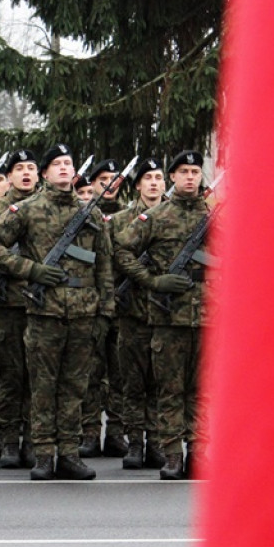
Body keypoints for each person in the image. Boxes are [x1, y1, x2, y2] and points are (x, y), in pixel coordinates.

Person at [0, 144, 113, 481]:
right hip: (44, 312)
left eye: (68, 163)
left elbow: (104, 264)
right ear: (44, 173)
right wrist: (30, 270)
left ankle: (69, 453)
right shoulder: (27, 209)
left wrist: (105, 311)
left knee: (75, 387)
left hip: (83, 312)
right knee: (43, 386)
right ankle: (43, 453)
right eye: (56, 164)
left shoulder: (91, 214)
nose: (63, 168)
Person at [114, 150, 212, 480]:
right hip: (168, 317)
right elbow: (121, 249)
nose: (189, 177)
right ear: (173, 177)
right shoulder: (157, 216)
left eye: (194, 172)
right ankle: (172, 454)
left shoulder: (214, 216)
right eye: (183, 171)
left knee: (202, 390)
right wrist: (151, 281)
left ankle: (198, 451)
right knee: (169, 390)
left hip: (207, 315)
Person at [110, 157, 167, 470]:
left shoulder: (173, 216)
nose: (154, 183)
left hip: (166, 313)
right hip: (132, 311)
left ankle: (157, 442)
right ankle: (134, 442)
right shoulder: (120, 221)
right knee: (132, 383)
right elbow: (111, 262)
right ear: (138, 186)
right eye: (148, 178)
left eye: (158, 178)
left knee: (160, 382)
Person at [0, 150, 38, 467]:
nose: (26, 173)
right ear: (9, 176)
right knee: (10, 376)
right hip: (7, 304)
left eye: (31, 168)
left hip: (42, 304)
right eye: (19, 168)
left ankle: (33, 440)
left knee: (37, 378)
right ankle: (8, 441)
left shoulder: (47, 207)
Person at [78, 159, 129, 459]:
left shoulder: (131, 216)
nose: (109, 184)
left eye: (114, 179)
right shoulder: (82, 216)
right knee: (91, 372)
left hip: (123, 304)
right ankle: (89, 431)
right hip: (92, 304)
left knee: (120, 373)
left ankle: (116, 432)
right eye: (102, 179)